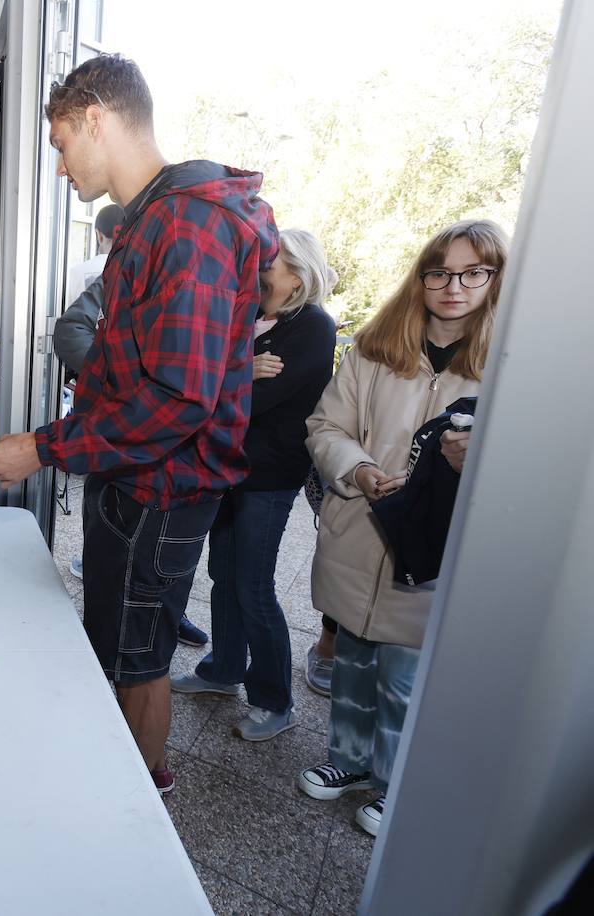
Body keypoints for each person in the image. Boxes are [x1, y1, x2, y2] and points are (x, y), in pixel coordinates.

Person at [0, 53, 278, 794]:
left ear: (95, 120)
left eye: (60, 144)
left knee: (143, 655)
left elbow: (177, 400)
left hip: (168, 488)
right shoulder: (154, 221)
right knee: (114, 637)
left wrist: (43, 448)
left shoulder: (190, 226)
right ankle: (108, 767)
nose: (60, 165)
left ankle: (139, 802)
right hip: (132, 478)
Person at [296, 219, 507, 836]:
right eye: (439, 271)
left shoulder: (510, 368)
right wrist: (359, 470)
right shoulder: (374, 349)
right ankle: (347, 762)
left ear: (495, 280)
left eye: (473, 272)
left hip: (434, 555)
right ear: (421, 276)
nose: (454, 286)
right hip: (360, 533)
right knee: (354, 659)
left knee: (407, 680)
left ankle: (395, 783)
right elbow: (325, 427)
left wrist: (485, 459)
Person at [169, 229, 338, 741]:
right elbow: (210, 383)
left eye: (270, 263)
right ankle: (224, 670)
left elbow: (250, 402)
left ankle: (274, 699)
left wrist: (232, 378)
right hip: (230, 469)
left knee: (254, 586)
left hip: (266, 478)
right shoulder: (261, 319)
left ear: (297, 275)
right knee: (224, 573)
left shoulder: (312, 327)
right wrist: (242, 371)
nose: (259, 269)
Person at [54, 208, 211, 650]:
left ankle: (169, 618)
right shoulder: (113, 277)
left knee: (148, 628)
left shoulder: (202, 289)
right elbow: (71, 329)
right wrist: (111, 380)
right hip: (120, 462)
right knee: (118, 627)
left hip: (178, 478)